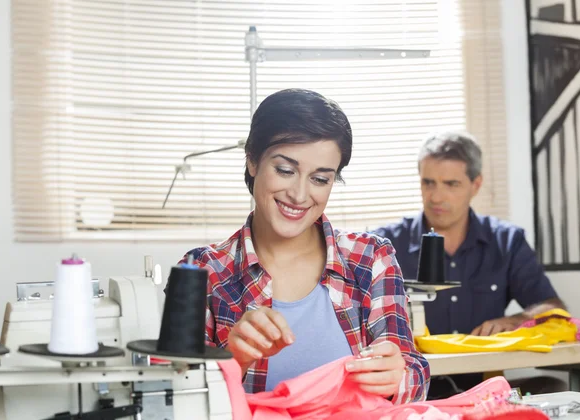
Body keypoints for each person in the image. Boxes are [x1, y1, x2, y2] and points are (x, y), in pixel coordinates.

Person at [177, 89, 430, 400]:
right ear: (253, 161)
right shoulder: (201, 271)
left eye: (320, 179)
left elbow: (413, 370)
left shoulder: (371, 257)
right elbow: (180, 397)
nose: (299, 195)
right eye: (285, 170)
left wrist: (397, 376)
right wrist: (234, 360)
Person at [373, 130, 566, 398]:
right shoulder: (384, 245)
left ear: (476, 184)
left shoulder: (506, 242)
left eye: (451, 184)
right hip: (413, 391)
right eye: (428, 183)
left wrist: (516, 320)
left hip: (485, 386)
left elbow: (554, 308)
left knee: (553, 388)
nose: (436, 197)